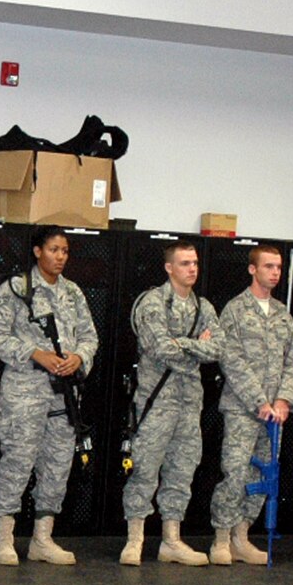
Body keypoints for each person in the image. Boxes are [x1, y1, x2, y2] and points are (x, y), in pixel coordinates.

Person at [0, 225, 98, 566]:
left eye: (65, 251)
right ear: (37, 251)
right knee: (18, 462)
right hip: (24, 392)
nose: (60, 256)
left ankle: (42, 539)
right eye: (53, 250)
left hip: (63, 396)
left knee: (57, 465)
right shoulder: (17, 289)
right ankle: (4, 539)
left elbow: (90, 337)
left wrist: (79, 358)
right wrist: (36, 353)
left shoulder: (74, 293)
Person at [121, 239, 219, 566]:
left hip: (189, 407)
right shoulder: (153, 303)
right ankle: (134, 539)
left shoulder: (204, 308)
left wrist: (183, 345)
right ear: (169, 268)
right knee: (145, 470)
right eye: (185, 263)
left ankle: (171, 540)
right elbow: (160, 349)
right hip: (155, 405)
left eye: (194, 263)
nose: (192, 269)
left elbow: (218, 349)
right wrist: (195, 348)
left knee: (181, 472)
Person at [208, 244, 293, 565]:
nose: (275, 272)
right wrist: (259, 402)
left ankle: (242, 537)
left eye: (278, 267)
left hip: (275, 413)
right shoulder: (235, 310)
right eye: (269, 266)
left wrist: (283, 400)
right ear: (252, 269)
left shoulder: (283, 316)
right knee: (234, 471)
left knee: (264, 475)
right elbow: (231, 361)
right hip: (243, 408)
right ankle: (221, 538)